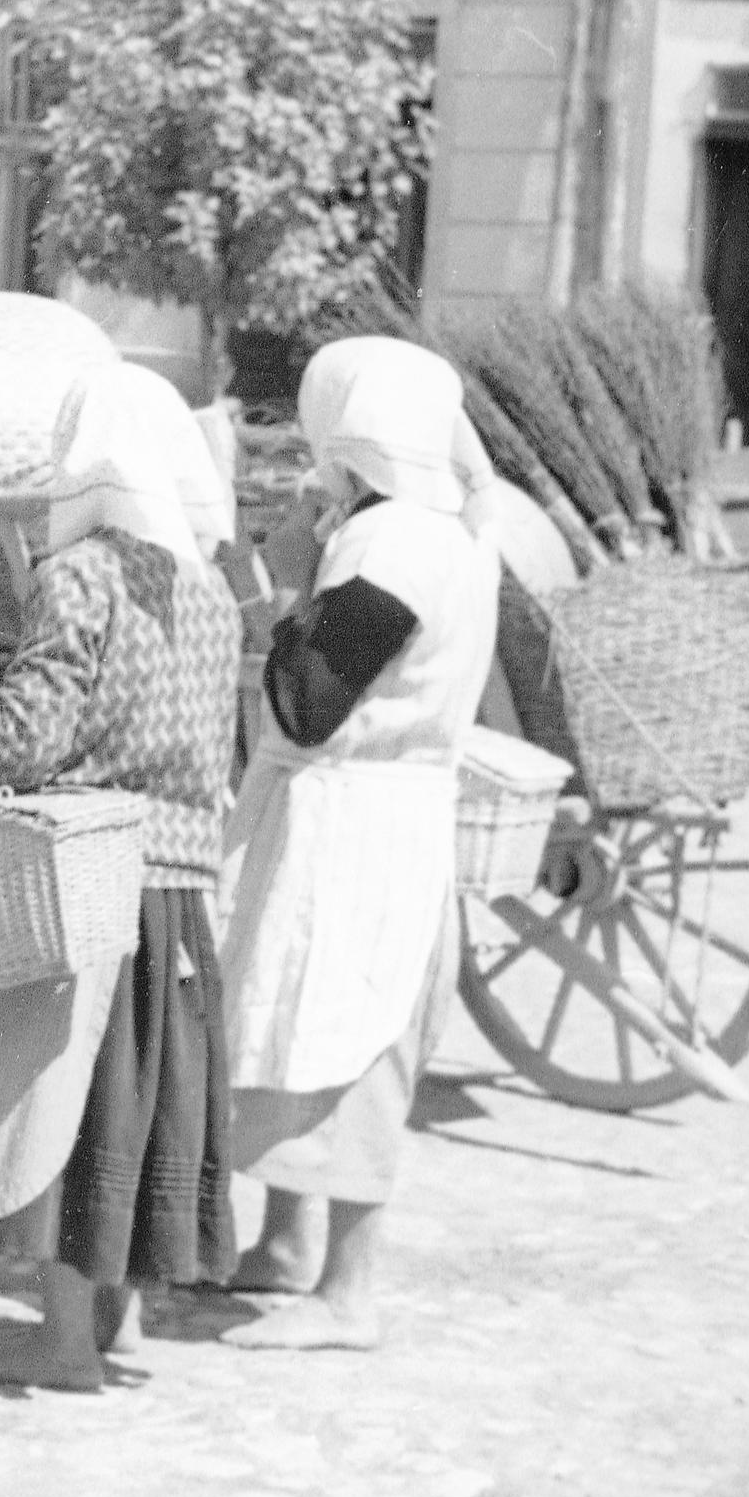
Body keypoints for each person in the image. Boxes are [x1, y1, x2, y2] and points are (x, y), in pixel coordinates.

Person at [0, 363, 244, 1391]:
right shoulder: (207, 588)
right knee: (146, 1100)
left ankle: (59, 1341)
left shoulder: (77, 576)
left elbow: (26, 741)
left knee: (75, 1097)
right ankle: (124, 1323)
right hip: (180, 884)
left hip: (88, 879)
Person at [219, 336, 503, 1353]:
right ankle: (285, 1245)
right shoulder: (445, 531)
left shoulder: (391, 550)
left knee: (349, 1031)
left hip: (359, 817)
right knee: (301, 1017)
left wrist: (281, 587)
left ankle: (346, 1288)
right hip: (377, 809)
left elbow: (305, 704)